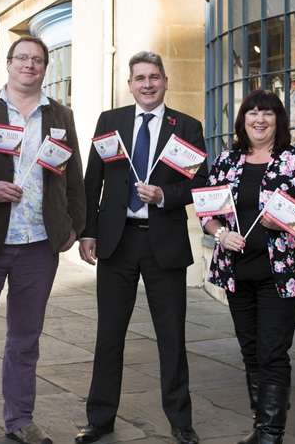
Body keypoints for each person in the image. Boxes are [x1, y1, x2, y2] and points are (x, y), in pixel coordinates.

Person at [0, 36, 86, 444]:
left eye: (37, 60)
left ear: (46, 67)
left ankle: (19, 419)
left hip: (39, 244)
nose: (29, 65)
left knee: (25, 339)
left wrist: (74, 226)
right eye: (22, 58)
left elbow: (72, 175)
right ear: (8, 63)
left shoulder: (60, 115)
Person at [75, 51, 207, 444]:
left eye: (154, 77)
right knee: (109, 335)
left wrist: (165, 194)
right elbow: (91, 180)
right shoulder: (109, 122)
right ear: (129, 84)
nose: (147, 84)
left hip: (163, 242)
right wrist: (88, 232)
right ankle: (100, 419)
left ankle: (181, 421)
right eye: (140, 78)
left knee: (172, 336)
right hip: (117, 242)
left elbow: (199, 185)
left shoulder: (186, 126)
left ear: (165, 82)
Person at [200, 89, 295, 444]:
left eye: (268, 113)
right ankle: (261, 427)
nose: (259, 119)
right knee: (250, 350)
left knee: (272, 351)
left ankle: (271, 434)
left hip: (282, 274)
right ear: (243, 120)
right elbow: (207, 212)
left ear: (278, 121)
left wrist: (290, 223)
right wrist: (221, 234)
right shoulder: (227, 161)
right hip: (237, 273)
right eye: (252, 113)